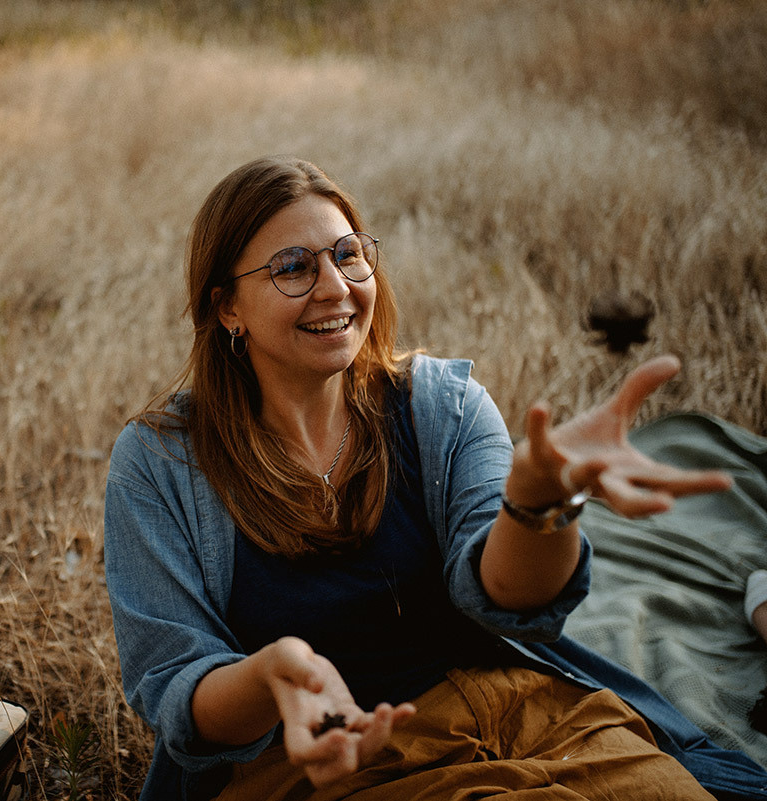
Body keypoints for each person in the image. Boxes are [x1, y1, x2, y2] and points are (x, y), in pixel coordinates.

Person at [103, 155, 767, 801]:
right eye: (293, 268)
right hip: (325, 767)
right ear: (227, 309)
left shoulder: (442, 405)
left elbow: (510, 597)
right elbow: (175, 686)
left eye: (348, 253)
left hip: (522, 713)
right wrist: (274, 675)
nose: (335, 288)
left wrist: (537, 500)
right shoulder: (158, 463)